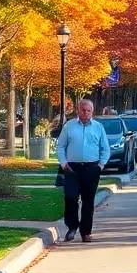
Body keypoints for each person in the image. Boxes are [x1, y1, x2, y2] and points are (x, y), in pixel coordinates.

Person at [55, 98, 110, 242]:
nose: (86, 113)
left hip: (92, 168)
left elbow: (105, 148)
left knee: (88, 201)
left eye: (89, 111)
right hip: (72, 168)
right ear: (78, 110)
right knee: (71, 198)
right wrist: (63, 163)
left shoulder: (98, 127)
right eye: (83, 110)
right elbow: (60, 146)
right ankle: (72, 227)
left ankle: (86, 232)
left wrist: (101, 165)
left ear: (92, 112)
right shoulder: (69, 126)